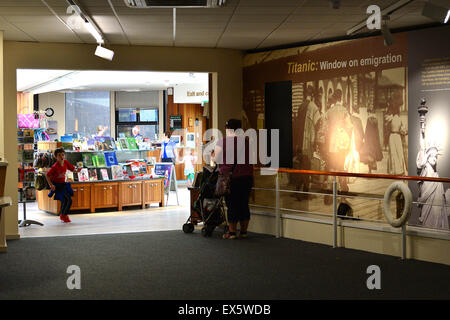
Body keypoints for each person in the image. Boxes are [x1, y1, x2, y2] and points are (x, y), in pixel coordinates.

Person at [214, 119, 254, 239]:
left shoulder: (222, 142)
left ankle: (232, 233)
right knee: (244, 204)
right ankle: (243, 232)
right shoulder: (247, 142)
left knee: (232, 205)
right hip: (247, 178)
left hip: (231, 179)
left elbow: (215, 159)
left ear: (228, 129)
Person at [416, 128, 449, 230]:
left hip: (436, 201)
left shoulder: (436, 174)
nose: (434, 158)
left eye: (436, 156)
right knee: (427, 218)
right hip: (427, 199)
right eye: (432, 156)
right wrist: (422, 134)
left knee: (437, 215)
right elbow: (421, 154)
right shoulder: (425, 167)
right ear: (427, 156)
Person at [45, 148, 81, 223]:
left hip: (63, 184)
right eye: (59, 155)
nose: (61, 156)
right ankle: (64, 215)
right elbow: (47, 175)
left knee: (66, 200)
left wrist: (77, 170)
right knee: (68, 200)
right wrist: (51, 185)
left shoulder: (66, 162)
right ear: (55, 157)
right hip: (57, 185)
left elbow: (72, 169)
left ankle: (63, 215)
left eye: (63, 155)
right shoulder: (55, 166)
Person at [385, 93, 407, 175]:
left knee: (393, 152)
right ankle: (400, 169)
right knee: (399, 152)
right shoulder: (398, 118)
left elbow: (386, 125)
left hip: (392, 136)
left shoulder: (390, 117)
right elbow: (402, 130)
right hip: (397, 136)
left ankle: (393, 170)